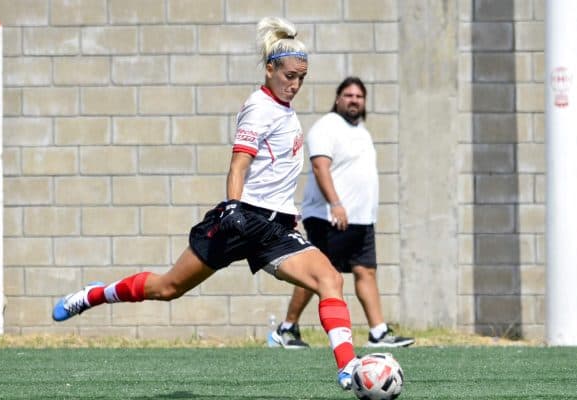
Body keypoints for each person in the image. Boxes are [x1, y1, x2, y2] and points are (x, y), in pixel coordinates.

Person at [51, 17, 360, 391]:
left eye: (301, 78)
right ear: (269, 68)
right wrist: (232, 208)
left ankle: (348, 369)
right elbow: (238, 164)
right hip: (241, 219)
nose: (294, 84)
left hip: (274, 229)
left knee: (328, 278)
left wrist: (286, 213)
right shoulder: (260, 107)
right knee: (167, 288)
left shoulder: (284, 110)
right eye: (289, 75)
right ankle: (92, 295)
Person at [270, 77, 415, 349]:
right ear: (338, 99)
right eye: (348, 95)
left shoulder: (361, 131)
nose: (354, 100)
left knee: (366, 272)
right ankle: (286, 329)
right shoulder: (327, 127)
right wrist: (336, 204)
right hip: (329, 218)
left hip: (360, 221)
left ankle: (378, 332)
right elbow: (320, 168)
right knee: (316, 273)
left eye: (359, 96)